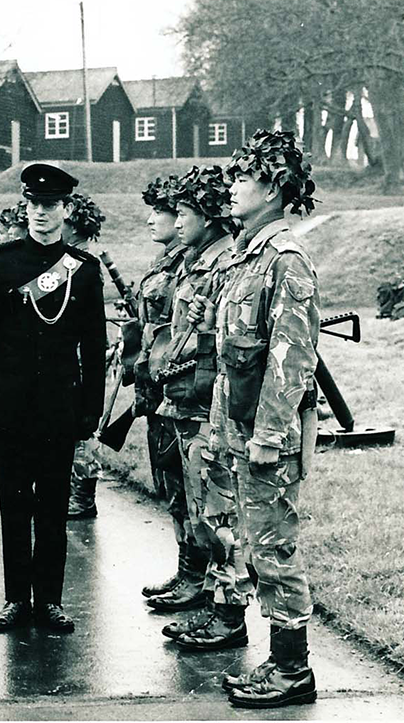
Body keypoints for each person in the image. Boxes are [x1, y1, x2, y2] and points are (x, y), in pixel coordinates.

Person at [190, 130, 321, 708]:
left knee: (275, 551)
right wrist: (219, 434)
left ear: (273, 187)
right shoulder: (245, 256)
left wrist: (269, 435)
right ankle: (278, 660)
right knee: (251, 544)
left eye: (244, 176)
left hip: (269, 437)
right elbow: (230, 362)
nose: (233, 186)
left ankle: (293, 670)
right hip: (237, 428)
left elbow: (290, 358)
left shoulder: (285, 261)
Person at [0, 163, 106, 634]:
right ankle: (15, 599)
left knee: (52, 506)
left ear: (66, 210)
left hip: (58, 406)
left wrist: (90, 408)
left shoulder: (84, 271)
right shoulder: (1, 263)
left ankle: (49, 599)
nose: (40, 214)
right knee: (12, 505)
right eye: (33, 205)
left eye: (50, 206)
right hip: (10, 406)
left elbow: (94, 345)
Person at [146, 166, 251, 651]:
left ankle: (220, 607)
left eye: (184, 211)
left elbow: (221, 340)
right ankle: (205, 593)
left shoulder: (224, 265)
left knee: (217, 510)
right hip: (183, 397)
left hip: (205, 402)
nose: (174, 219)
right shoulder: (190, 263)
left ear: (209, 217)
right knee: (192, 501)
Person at [129, 176, 207, 613]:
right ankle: (187, 569)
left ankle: (197, 577)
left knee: (188, 486)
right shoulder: (168, 261)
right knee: (171, 486)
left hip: (180, 391)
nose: (156, 220)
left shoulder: (190, 263)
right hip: (159, 393)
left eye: (166, 211)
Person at [60, 192, 109, 520]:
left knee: (83, 433)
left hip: (79, 359)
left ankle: (82, 496)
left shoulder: (83, 262)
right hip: (73, 359)